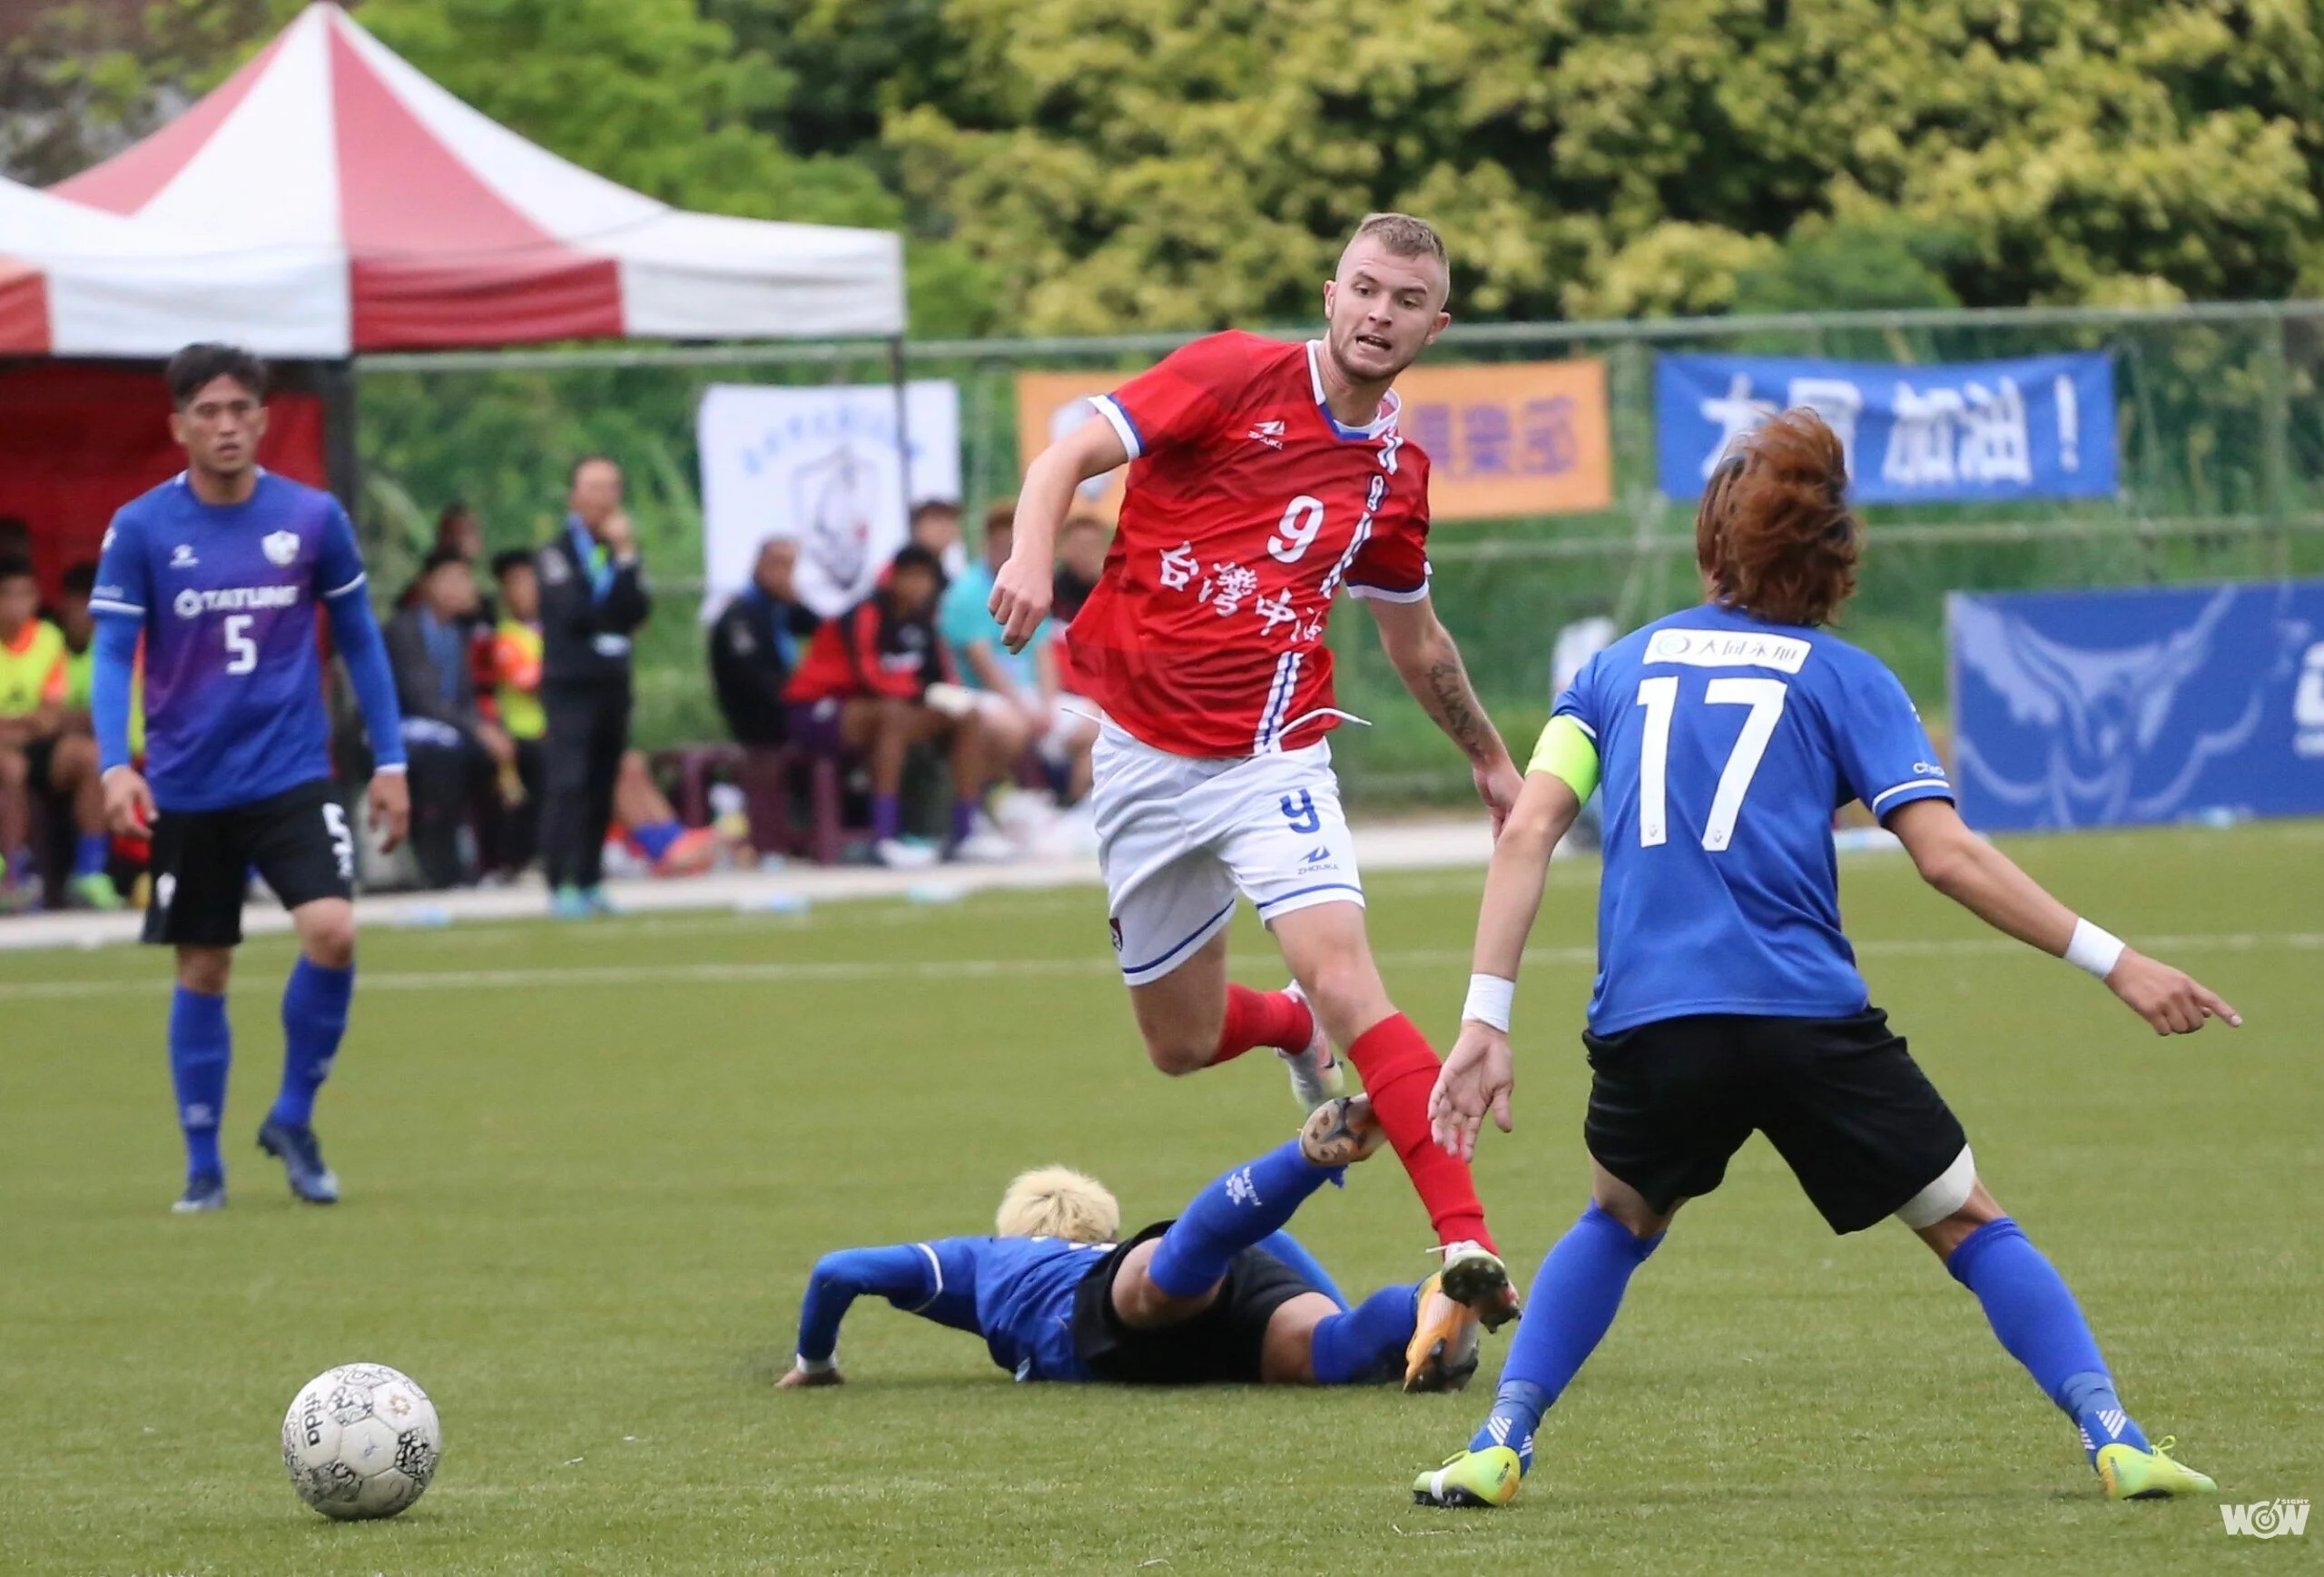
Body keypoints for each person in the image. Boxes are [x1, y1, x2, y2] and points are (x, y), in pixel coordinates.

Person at [1412, 409, 2236, 1509]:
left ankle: (1499, 1443)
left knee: (1616, 1220)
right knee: (1970, 1224)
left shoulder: (1616, 667)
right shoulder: (1847, 677)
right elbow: (1944, 856)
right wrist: (2116, 960)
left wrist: (1484, 1017)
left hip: (1656, 1024)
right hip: (1807, 1022)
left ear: (1713, 542)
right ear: (1835, 562)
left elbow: (1527, 829)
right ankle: (2115, 1434)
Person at [987, 212, 1525, 1384]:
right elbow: (1063, 457)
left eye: (1407, 301)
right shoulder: (1232, 374)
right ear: (1331, 293)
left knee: (1349, 974)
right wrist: (1033, 555)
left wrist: (1486, 754)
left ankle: (1466, 1242)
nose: (1380, 314)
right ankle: (1283, 1022)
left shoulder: (1394, 473)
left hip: (1272, 756)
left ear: (1439, 325)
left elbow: (1414, 637)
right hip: (1137, 754)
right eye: (1366, 290)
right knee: (1178, 1045)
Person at [90, 342, 409, 1213]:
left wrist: (390, 761)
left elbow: (360, 642)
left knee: (334, 930)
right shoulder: (144, 528)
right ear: (179, 425)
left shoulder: (310, 518)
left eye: (240, 410)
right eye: (208, 412)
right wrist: (116, 761)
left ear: (264, 420)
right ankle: (203, 1163)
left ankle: (294, 1117)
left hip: (292, 775)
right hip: (190, 785)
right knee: (203, 967)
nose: (225, 426)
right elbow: (113, 650)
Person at [778, 1094, 1483, 1392]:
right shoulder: (1077, 1251)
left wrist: (815, 1362)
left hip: (1130, 1316)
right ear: (1103, 1228)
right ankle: (1433, 1303)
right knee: (1337, 1349)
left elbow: (840, 1269)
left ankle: (1303, 1157)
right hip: (1225, 1322)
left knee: (1166, 1274)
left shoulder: (999, 1259)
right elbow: (1271, 1239)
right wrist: (1326, 1307)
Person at [784, 543, 1010, 867]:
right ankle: (884, 838)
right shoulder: (865, 615)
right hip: (818, 710)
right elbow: (870, 678)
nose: (918, 586)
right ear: (893, 578)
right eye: (911, 577)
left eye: (925, 578)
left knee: (968, 715)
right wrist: (922, 692)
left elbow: (942, 678)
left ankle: (966, 833)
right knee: (894, 717)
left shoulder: (925, 623)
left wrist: (950, 698)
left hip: (888, 710)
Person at [537, 455, 650, 919]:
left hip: (612, 681)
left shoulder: (618, 552)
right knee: (570, 780)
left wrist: (625, 559)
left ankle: (590, 879)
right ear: (575, 496)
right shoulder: (556, 554)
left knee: (604, 781)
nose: (605, 498)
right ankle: (558, 879)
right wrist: (613, 614)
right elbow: (574, 614)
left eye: (612, 487)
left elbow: (638, 609)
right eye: (595, 487)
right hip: (571, 683)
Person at [385, 548, 514, 889]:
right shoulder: (405, 630)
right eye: (455, 579)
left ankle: (500, 862)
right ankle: (440, 870)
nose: (465, 587)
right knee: (445, 759)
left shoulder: (459, 634)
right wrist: (477, 729)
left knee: (504, 757)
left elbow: (466, 700)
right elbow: (422, 698)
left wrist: (491, 732)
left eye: (467, 579)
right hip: (403, 729)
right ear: (428, 585)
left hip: (451, 730)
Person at [1, 557, 115, 909]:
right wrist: (28, 723)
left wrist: (19, 725)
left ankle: (89, 874)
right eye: (8, 595)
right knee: (10, 767)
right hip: (8, 750)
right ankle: (15, 877)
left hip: (34, 744)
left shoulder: (48, 639)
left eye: (26, 594)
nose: (18, 605)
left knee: (91, 756)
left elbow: (51, 719)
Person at [709, 537, 821, 749]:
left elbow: (822, 629)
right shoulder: (741, 615)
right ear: (758, 565)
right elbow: (755, 680)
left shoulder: (781, 608)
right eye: (776, 564)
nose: (782, 574)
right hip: (757, 717)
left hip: (788, 706)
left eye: (789, 567)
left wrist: (797, 600)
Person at [485, 549, 546, 872]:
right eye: (517, 583)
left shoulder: (553, 631)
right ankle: (524, 861)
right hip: (524, 735)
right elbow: (532, 682)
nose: (527, 589)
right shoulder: (506, 638)